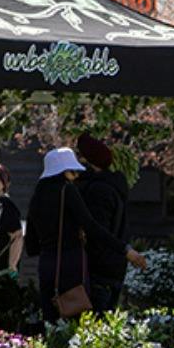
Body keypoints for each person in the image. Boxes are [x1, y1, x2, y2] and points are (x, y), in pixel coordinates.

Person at [24, 147, 146, 322]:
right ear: (65, 172)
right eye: (73, 172)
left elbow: (31, 245)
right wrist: (125, 250)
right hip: (71, 264)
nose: (77, 176)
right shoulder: (67, 191)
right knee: (75, 320)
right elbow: (91, 226)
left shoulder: (37, 196)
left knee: (51, 320)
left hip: (46, 265)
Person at [77, 133, 133, 313]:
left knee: (91, 324)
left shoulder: (97, 191)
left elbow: (97, 231)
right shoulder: (115, 188)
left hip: (97, 270)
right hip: (114, 267)